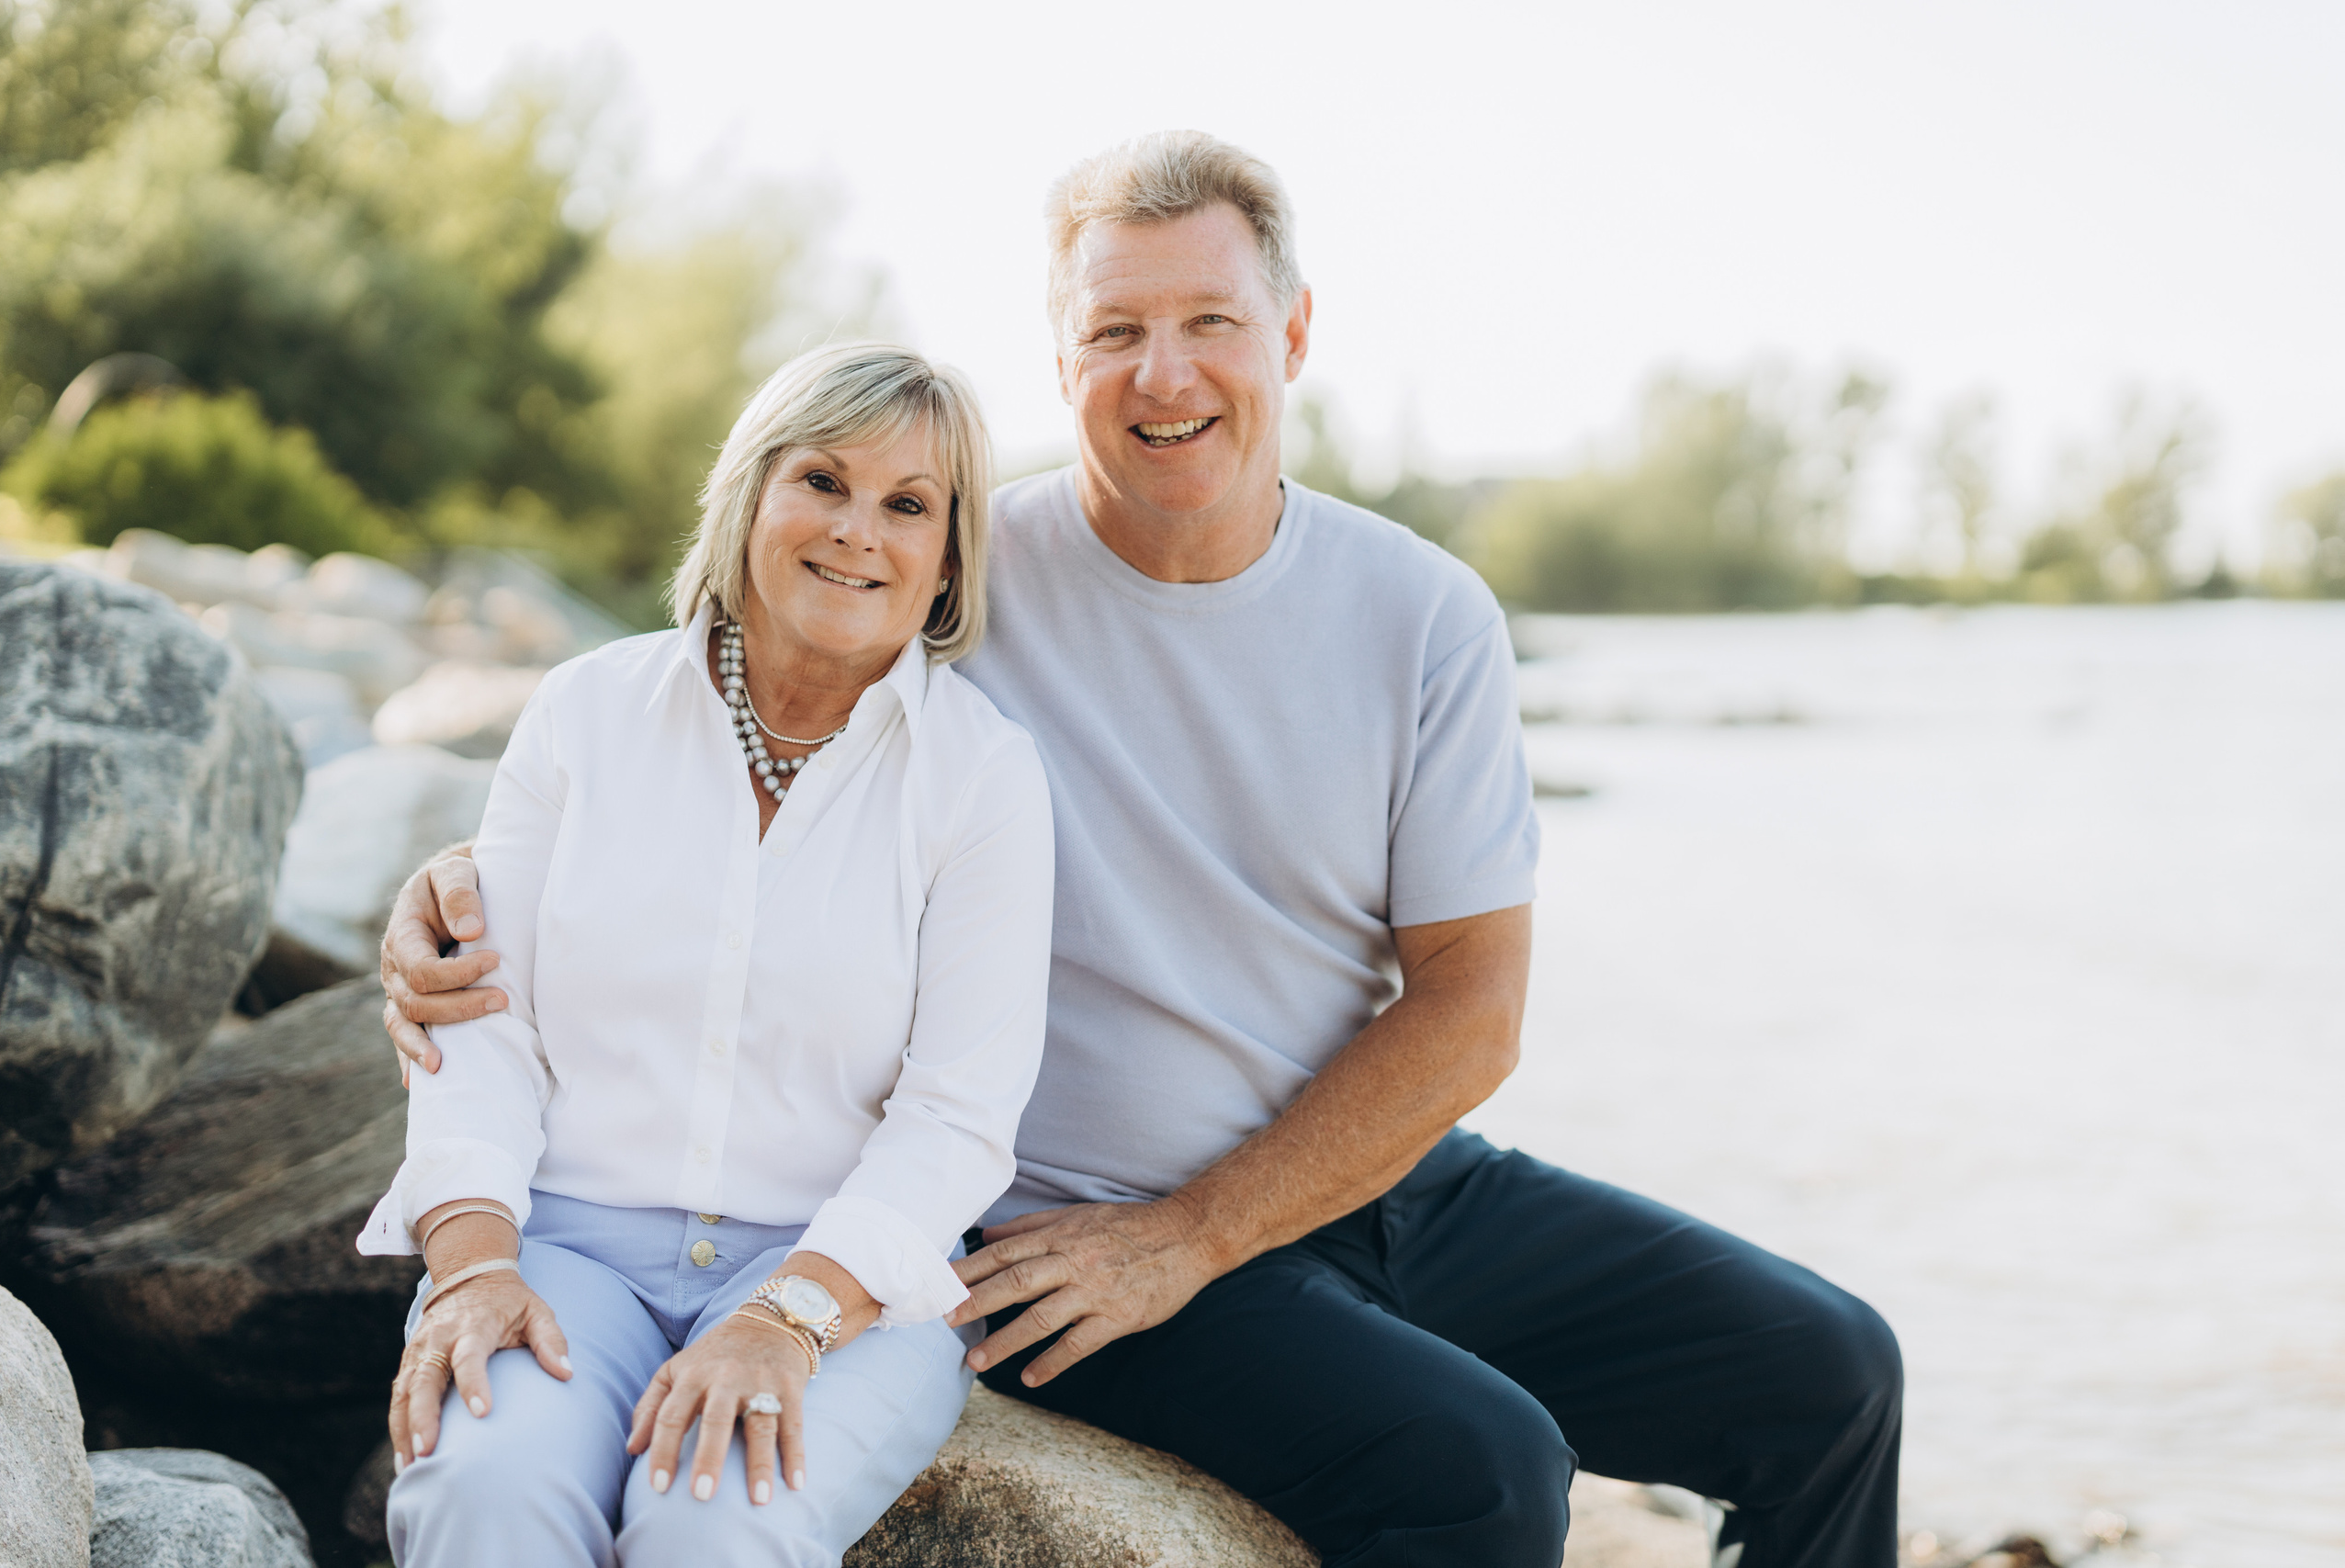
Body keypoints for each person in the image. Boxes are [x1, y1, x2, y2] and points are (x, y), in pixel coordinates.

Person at [381, 133, 1902, 1567]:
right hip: (1075, 1231)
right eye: (1115, 333)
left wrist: (1198, 1235)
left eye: (1210, 323)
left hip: (1361, 1184)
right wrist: (463, 886)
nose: (1163, 375)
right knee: (1488, 1469)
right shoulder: (952, 567)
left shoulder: (1422, 613)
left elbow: (1471, 1006)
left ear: (1293, 333)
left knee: (1834, 1376)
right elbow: (732, 727)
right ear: (1063, 361)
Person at [359, 343, 1054, 1567]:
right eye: (822, 481)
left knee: (712, 1522)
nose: (857, 532)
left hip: (843, 1275)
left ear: (947, 562)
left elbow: (959, 1115)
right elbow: (479, 1018)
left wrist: (786, 1318)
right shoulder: (585, 715)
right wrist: (471, 1265)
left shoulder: (984, 781)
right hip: (568, 1242)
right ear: (749, 494)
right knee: (486, 1489)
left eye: (909, 505)